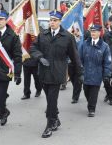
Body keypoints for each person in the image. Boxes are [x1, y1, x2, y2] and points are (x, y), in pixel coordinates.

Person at [30, 10, 83, 138]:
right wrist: (39, 57)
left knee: (52, 100)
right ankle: (55, 119)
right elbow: (33, 48)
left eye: (54, 20)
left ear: (60, 22)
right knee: (50, 99)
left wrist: (80, 72)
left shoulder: (67, 37)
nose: (52, 23)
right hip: (43, 73)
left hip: (57, 73)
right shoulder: (43, 34)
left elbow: (75, 56)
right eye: (51, 20)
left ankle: (49, 125)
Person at [79, 25, 112, 117]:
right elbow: (80, 58)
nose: (93, 33)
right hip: (86, 73)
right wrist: (80, 71)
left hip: (97, 74)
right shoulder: (85, 44)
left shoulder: (104, 46)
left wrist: (106, 74)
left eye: (95, 31)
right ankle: (90, 103)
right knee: (86, 91)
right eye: (92, 31)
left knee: (94, 92)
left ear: (99, 33)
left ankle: (91, 109)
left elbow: (107, 62)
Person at [70, 27, 83, 104]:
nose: (75, 32)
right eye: (74, 31)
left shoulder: (82, 39)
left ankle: (75, 97)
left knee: (77, 79)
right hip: (70, 62)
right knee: (72, 79)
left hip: (79, 62)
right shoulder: (69, 38)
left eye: (77, 31)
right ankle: (77, 88)